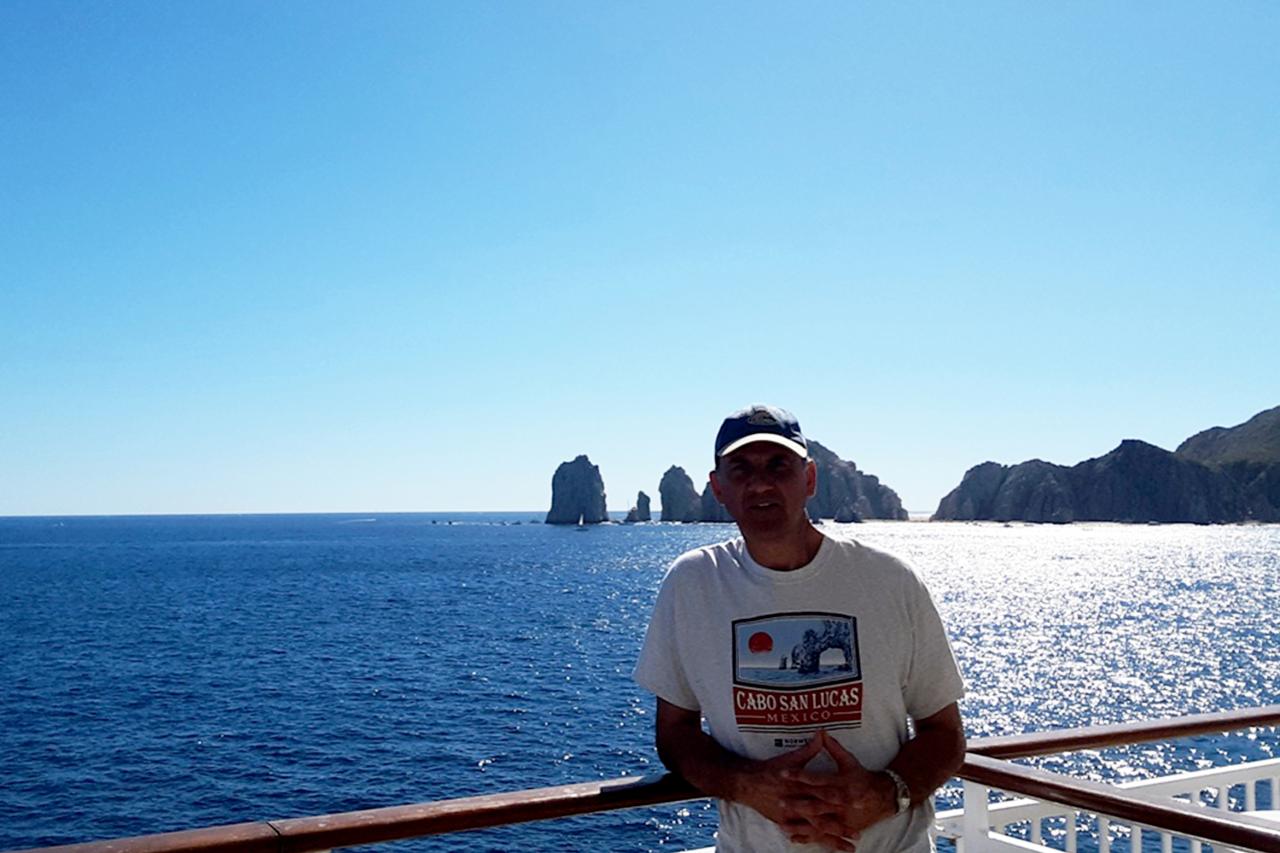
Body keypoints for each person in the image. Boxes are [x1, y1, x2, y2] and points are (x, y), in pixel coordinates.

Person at [634, 404, 965, 853]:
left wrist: (885, 795)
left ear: (809, 479)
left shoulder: (890, 579)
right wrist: (747, 785)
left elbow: (944, 734)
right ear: (718, 488)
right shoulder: (693, 583)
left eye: (779, 465)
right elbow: (674, 733)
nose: (761, 483)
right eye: (741, 469)